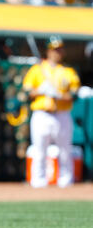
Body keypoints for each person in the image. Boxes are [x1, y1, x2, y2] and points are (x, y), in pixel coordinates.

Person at [22, 36, 81, 188]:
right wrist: (41, 90)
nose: (57, 52)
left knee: (65, 150)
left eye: (60, 49)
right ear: (48, 51)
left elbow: (74, 95)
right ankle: (38, 181)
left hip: (61, 113)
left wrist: (59, 95)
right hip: (42, 114)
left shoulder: (68, 71)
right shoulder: (37, 69)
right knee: (39, 149)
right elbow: (26, 92)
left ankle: (66, 180)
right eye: (55, 49)